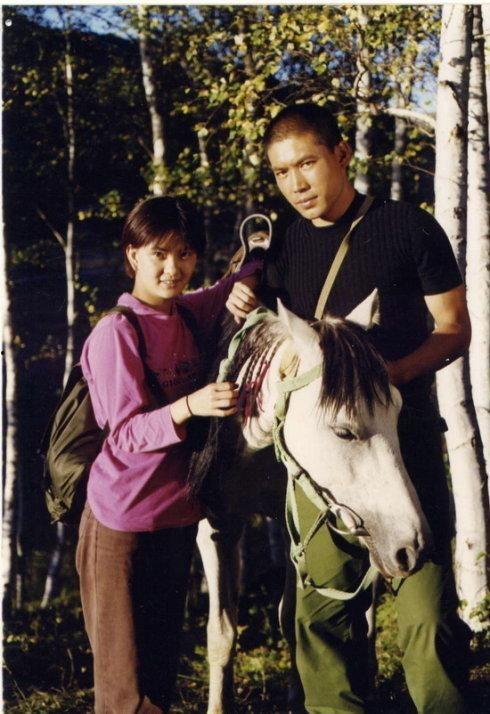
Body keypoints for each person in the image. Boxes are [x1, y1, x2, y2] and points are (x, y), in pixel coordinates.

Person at [257, 103, 472, 713]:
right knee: (322, 620)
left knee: (427, 617)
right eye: (281, 172)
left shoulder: (408, 228)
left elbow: (454, 329)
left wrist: (387, 376)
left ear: (342, 153)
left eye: (307, 163)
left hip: (402, 447)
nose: (296, 183)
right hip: (322, 467)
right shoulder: (282, 249)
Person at [76, 195, 259, 713]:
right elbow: (124, 434)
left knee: (158, 682)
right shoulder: (117, 331)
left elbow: (231, 284)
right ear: (133, 255)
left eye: (184, 254)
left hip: (176, 522)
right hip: (122, 527)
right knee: (126, 694)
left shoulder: (186, 312)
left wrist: (250, 273)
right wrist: (191, 405)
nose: (172, 268)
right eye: (159, 253)